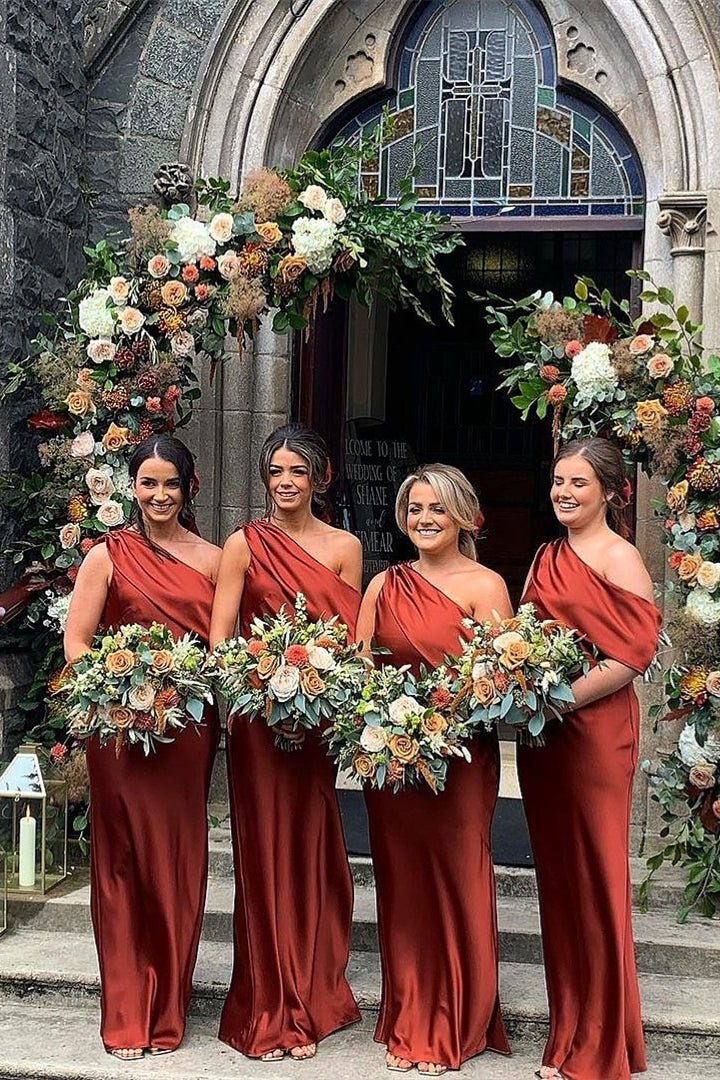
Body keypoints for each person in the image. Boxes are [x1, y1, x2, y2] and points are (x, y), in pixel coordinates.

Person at [63, 435, 221, 1059]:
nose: (159, 496)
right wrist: (120, 688)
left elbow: (221, 647)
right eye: (148, 483)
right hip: (120, 732)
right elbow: (78, 643)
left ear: (189, 489)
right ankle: (127, 1010)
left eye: (170, 484)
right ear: (133, 487)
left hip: (185, 729)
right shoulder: (105, 556)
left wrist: (176, 688)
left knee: (176, 862)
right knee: (123, 862)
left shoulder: (213, 560)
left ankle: (168, 1007)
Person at [210, 423, 363, 1061]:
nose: (285, 483)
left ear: (318, 478)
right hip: (257, 721)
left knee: (309, 848)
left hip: (316, 722)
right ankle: (266, 1008)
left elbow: (353, 643)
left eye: (297, 471)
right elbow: (219, 640)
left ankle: (311, 996)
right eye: (275, 471)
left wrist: (317, 694)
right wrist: (259, 691)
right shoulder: (242, 544)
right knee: (263, 853)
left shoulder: (345, 547)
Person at [356, 464, 512, 1076]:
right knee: (403, 882)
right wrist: (388, 721)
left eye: (437, 509)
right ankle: (411, 1011)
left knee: (456, 875)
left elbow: (498, 678)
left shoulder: (486, 585)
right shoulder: (381, 585)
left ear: (464, 516)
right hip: (392, 756)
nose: (424, 519)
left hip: (461, 758)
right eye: (415, 507)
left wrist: (440, 718)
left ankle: (456, 1022)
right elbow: (360, 669)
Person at [516, 437, 662, 1080]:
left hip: (597, 734)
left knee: (597, 881)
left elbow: (633, 656)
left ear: (609, 490)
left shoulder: (621, 557)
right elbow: (519, 638)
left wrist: (559, 699)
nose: (564, 494)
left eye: (578, 483)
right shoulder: (545, 556)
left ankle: (602, 1048)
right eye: (557, 482)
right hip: (544, 741)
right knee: (560, 886)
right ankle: (569, 1034)